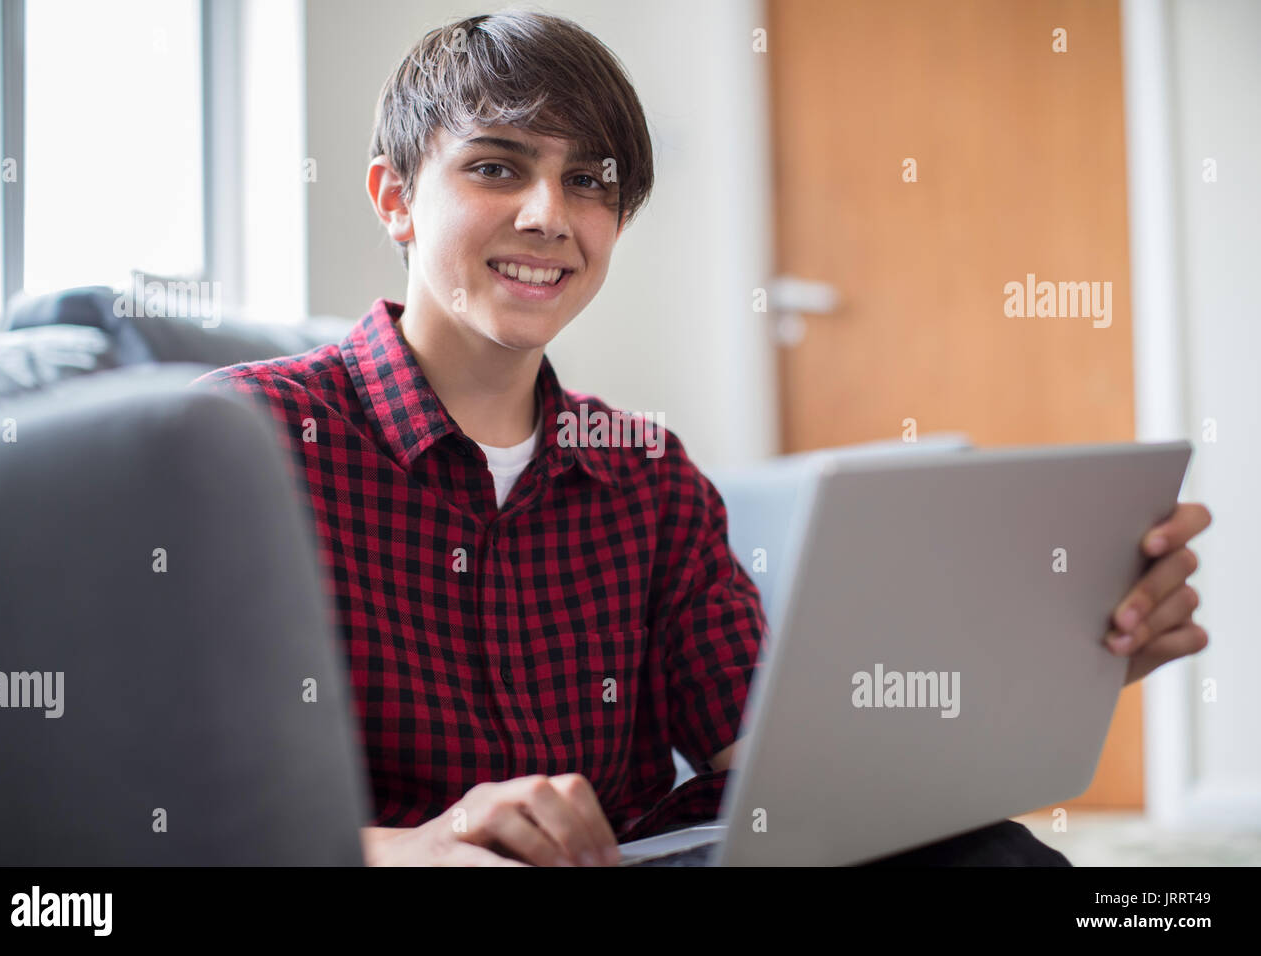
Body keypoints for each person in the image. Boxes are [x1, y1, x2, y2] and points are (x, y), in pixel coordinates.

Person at [192, 11, 1212, 867]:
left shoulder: (646, 472)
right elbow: (155, 799)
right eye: (498, 167)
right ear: (394, 197)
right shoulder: (238, 441)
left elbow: (765, 771)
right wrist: (421, 843)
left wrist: (1049, 668)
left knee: (988, 855)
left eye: (590, 182)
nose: (550, 214)